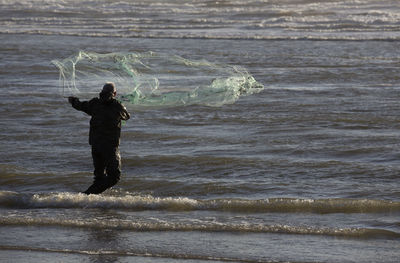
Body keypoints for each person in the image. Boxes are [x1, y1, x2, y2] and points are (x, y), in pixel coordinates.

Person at [68, 82, 130, 195]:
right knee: (114, 177)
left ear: (102, 91)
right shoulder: (117, 106)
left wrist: (73, 101)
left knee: (99, 177)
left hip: (95, 146)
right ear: (114, 93)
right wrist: (120, 103)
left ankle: (91, 200)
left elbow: (80, 106)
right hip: (110, 147)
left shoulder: (94, 103)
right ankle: (85, 196)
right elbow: (127, 116)